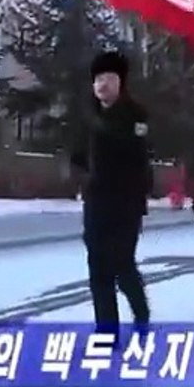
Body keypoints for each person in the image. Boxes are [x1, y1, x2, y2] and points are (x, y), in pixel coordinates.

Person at [71, 50, 152, 340]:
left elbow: (136, 156)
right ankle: (106, 330)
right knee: (98, 267)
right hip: (96, 202)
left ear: (120, 83)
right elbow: (77, 154)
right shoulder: (89, 117)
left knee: (122, 263)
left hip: (125, 202)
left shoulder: (136, 116)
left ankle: (140, 313)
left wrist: (103, 130)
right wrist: (83, 175)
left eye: (109, 78)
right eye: (98, 79)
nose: (102, 85)